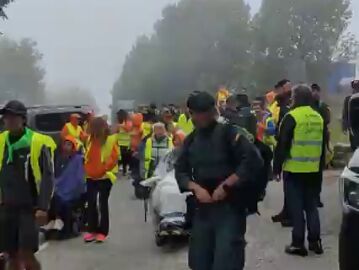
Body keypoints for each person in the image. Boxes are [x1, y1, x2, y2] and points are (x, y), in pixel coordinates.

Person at [175, 92, 263, 270]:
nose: (197, 118)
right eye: (194, 114)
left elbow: (254, 161)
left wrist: (227, 184)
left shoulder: (231, 133)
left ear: (211, 111)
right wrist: (195, 188)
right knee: (199, 260)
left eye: (202, 113)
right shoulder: (192, 140)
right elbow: (180, 171)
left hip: (230, 205)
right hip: (203, 208)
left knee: (226, 259)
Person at [0, 100, 55, 270]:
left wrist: (43, 207)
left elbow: (47, 176)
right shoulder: (1, 140)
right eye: (6, 117)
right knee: (10, 254)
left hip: (29, 208)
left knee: (26, 253)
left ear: (23, 119)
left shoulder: (37, 141)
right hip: (6, 207)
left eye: (13, 117)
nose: (8, 120)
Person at [274, 85, 325, 257]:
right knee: (311, 206)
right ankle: (315, 242)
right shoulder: (318, 117)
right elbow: (322, 146)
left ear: (295, 98)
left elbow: (282, 145)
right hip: (313, 169)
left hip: (294, 170)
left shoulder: (291, 116)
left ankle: (298, 243)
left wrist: (276, 168)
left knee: (296, 208)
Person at [83, 117, 119, 243]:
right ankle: (92, 229)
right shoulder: (89, 140)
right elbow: (87, 157)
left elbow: (114, 158)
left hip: (105, 177)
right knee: (91, 203)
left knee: (102, 203)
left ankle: (103, 231)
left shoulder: (110, 140)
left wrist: (103, 169)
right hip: (90, 176)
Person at [43, 136, 86, 238]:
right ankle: (54, 221)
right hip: (62, 189)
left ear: (73, 147)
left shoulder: (78, 160)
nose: (66, 147)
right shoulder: (61, 159)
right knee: (52, 198)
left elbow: (79, 179)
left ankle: (62, 225)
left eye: (69, 144)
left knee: (62, 201)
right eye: (65, 144)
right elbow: (58, 176)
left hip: (74, 191)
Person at [311, 83, 331, 207]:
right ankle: (311, 197)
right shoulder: (307, 106)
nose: (315, 94)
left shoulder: (323, 106)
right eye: (313, 91)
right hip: (310, 142)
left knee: (318, 172)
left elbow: (327, 121)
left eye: (317, 91)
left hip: (320, 141)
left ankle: (316, 197)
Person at [342, 80, 359, 151]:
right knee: (354, 145)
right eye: (354, 86)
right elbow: (345, 112)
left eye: (357, 86)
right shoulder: (348, 99)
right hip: (353, 127)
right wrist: (344, 126)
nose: (356, 88)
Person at [116, 110, 133, 176]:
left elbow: (128, 129)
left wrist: (121, 126)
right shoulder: (118, 122)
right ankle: (120, 169)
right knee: (119, 157)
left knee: (125, 158)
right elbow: (116, 131)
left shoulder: (127, 122)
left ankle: (124, 169)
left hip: (126, 143)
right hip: (119, 143)